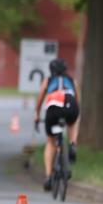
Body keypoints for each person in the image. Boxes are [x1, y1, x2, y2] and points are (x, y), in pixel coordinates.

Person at [34, 57, 80, 191]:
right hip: (70, 104)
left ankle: (48, 177)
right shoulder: (72, 81)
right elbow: (77, 101)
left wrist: (37, 116)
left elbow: (39, 101)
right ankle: (72, 144)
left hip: (53, 108)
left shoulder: (48, 81)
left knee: (50, 141)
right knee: (74, 121)